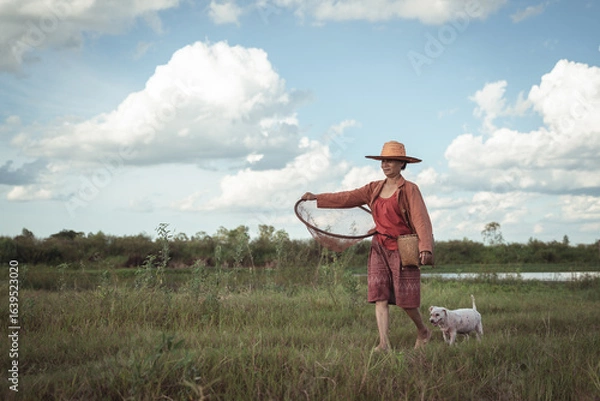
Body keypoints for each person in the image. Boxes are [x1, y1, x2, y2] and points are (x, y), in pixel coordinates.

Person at [301, 140, 434, 350]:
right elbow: (347, 197)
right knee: (379, 296)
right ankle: (383, 343)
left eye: (390, 161)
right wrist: (318, 197)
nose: (385, 164)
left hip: (403, 248)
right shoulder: (373, 188)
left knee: (406, 301)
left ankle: (423, 331)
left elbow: (421, 219)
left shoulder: (409, 189)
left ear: (402, 164)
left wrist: (425, 246)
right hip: (379, 246)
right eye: (383, 160)